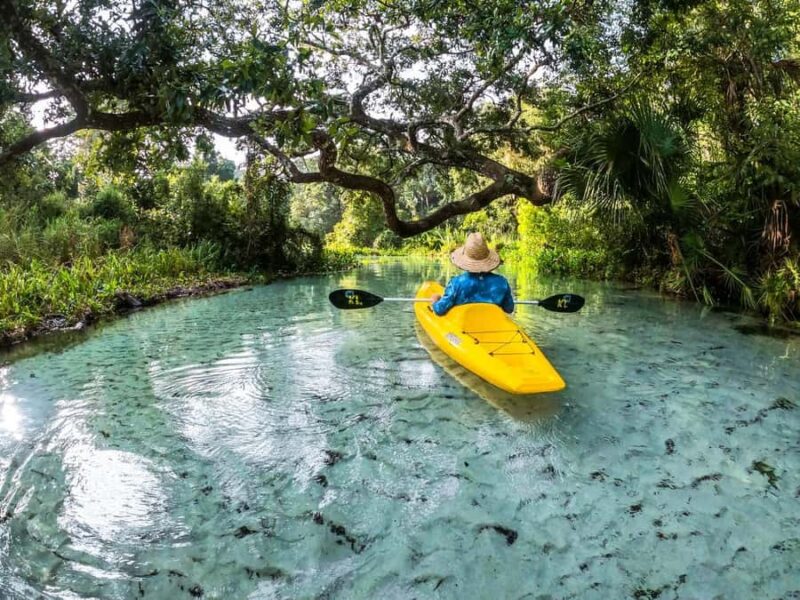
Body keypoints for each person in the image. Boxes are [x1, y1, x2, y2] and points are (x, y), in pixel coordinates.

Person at [430, 232, 514, 316]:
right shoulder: (502, 282)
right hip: (492, 324)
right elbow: (509, 308)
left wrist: (435, 300)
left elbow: (439, 310)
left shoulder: (456, 284)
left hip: (465, 326)